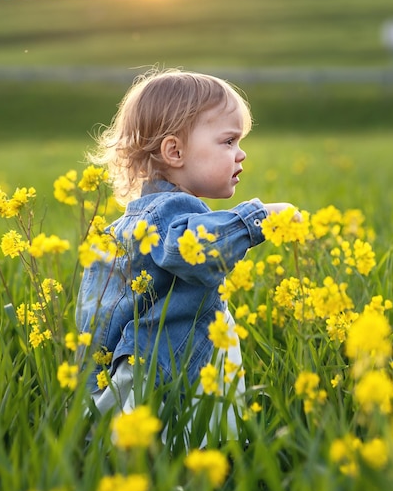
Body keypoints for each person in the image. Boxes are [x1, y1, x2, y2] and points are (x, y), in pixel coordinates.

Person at [76, 68, 300, 441]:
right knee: (184, 461)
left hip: (138, 375)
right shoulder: (172, 214)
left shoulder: (122, 229)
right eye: (228, 141)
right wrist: (258, 219)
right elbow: (192, 245)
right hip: (171, 379)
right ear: (174, 151)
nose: (241, 153)